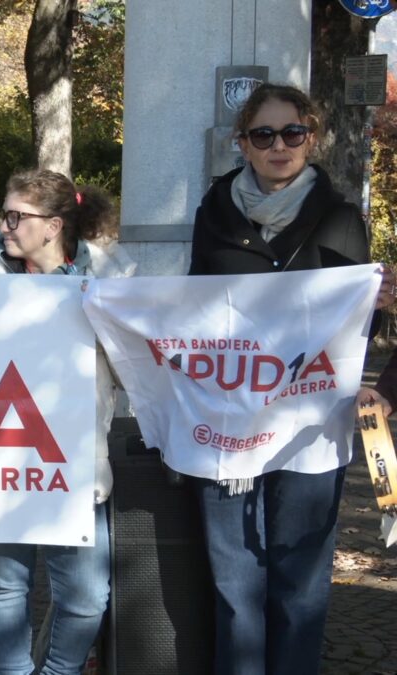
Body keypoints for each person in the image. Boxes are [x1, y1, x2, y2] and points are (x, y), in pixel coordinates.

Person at [187, 82, 395, 675]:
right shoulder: (212, 211)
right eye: (263, 134)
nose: (279, 145)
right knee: (234, 581)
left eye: (292, 132)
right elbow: (195, 309)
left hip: (311, 424)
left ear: (311, 136)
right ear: (243, 144)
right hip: (229, 420)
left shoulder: (341, 217)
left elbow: (360, 322)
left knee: (300, 583)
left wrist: (378, 304)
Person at [0, 168, 133, 674]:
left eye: (17, 216)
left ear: (55, 226)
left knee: (85, 596)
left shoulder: (111, 282)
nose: (5, 226)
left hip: (77, 458)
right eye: (4, 214)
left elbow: (133, 368)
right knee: (5, 585)